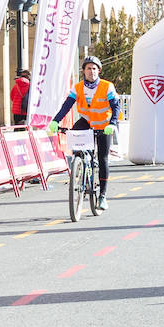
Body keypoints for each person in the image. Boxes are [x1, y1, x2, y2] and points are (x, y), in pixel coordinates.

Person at [51, 56, 120, 211]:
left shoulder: (107, 86)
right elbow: (66, 106)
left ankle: (102, 195)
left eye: (94, 68)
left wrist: (113, 124)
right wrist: (56, 121)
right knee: (75, 134)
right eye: (88, 68)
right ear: (83, 71)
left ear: (99, 71)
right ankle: (80, 163)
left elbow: (116, 107)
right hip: (87, 121)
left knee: (103, 158)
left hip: (104, 124)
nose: (92, 71)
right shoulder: (78, 87)